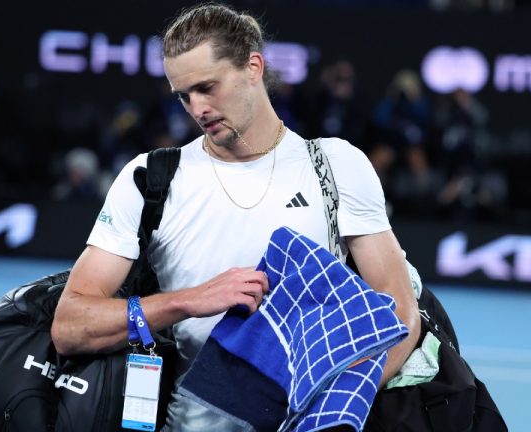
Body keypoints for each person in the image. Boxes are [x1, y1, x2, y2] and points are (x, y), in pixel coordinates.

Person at [51, 3, 420, 430]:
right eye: (184, 95)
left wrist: (336, 402)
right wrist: (186, 301)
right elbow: (71, 324)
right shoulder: (149, 177)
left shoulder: (338, 166)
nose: (197, 108)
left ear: (253, 67)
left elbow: (400, 316)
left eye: (208, 87)